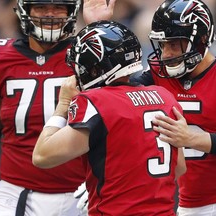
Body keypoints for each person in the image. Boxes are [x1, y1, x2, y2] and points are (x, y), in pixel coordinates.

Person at [32, 20, 186, 215]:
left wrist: (62, 106)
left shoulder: (97, 101)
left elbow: (42, 156)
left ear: (96, 68)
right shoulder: (164, 97)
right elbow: (178, 167)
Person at [130, 0, 216, 215]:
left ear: (202, 40)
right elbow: (116, 93)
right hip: (186, 203)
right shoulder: (159, 74)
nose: (166, 53)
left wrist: (189, 138)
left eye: (174, 44)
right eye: (163, 44)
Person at [0, 0, 116, 215]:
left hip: (82, 191)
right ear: (25, 10)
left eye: (58, 8)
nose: (50, 14)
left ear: (71, 12)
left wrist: (98, 28)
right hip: (17, 192)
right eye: (41, 7)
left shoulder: (88, 55)